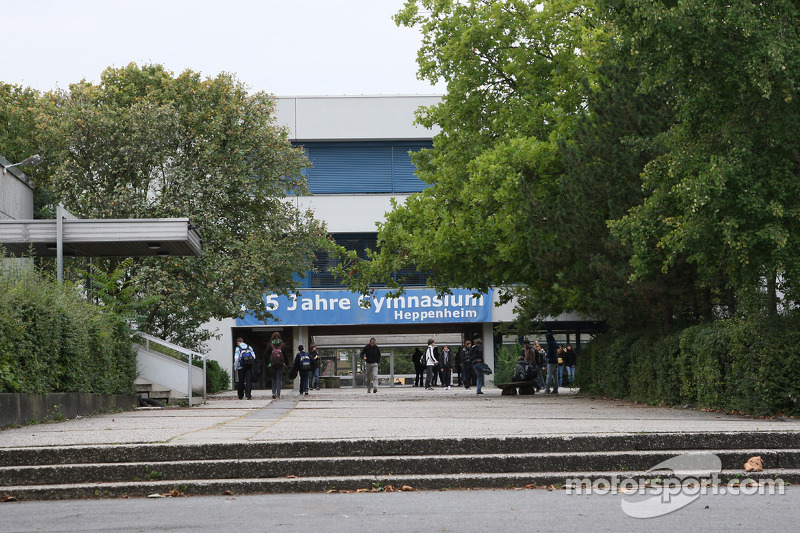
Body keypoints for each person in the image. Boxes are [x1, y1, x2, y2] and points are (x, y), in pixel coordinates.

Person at [266, 331, 286, 400]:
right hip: (280, 364)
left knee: (273, 378)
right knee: (279, 379)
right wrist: (286, 362)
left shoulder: (270, 344)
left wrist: (268, 363)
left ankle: (273, 392)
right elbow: (285, 355)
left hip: (272, 364)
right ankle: (278, 394)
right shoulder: (282, 344)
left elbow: (266, 353)